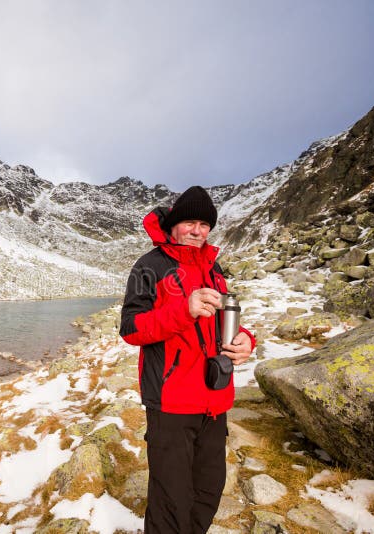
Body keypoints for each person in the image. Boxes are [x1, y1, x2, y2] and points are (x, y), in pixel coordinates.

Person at [120, 186, 255, 534]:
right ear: (175, 225)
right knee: (171, 501)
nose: (197, 231)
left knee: (208, 491)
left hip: (215, 398)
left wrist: (246, 339)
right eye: (190, 223)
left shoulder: (214, 267)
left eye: (204, 224)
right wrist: (184, 309)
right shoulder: (150, 266)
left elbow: (226, 321)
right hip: (171, 402)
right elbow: (132, 328)